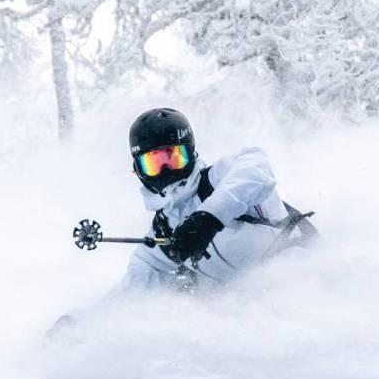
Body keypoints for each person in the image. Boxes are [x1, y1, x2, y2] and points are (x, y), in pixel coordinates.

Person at [118, 108, 298, 291]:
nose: (167, 170)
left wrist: (209, 219)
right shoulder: (163, 231)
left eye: (175, 158)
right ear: (139, 171)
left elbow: (256, 166)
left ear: (191, 153)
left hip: (298, 275)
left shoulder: (219, 179)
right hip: (248, 305)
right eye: (153, 164)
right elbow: (131, 291)